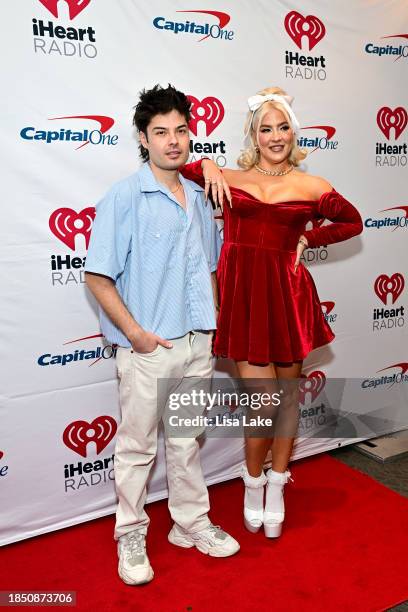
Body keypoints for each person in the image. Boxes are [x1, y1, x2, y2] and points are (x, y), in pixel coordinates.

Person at [180, 86, 363, 538]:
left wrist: (308, 239)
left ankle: (278, 484)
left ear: (293, 133)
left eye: (283, 127)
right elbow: (181, 163)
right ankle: (252, 480)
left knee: (287, 399)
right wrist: (205, 163)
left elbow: (352, 221)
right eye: (266, 128)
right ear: (254, 135)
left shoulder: (310, 185)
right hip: (244, 300)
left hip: (289, 297)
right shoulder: (228, 178)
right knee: (261, 403)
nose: (275, 136)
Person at [84, 84, 239, 586]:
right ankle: (129, 533)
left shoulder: (199, 196)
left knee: (187, 443)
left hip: (198, 345)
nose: (173, 141)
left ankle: (189, 523)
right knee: (135, 449)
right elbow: (97, 275)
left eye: (181, 130)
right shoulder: (124, 197)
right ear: (143, 139)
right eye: (160, 132)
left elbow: (208, 270)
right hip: (149, 350)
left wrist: (211, 327)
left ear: (191, 133)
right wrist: (135, 334)